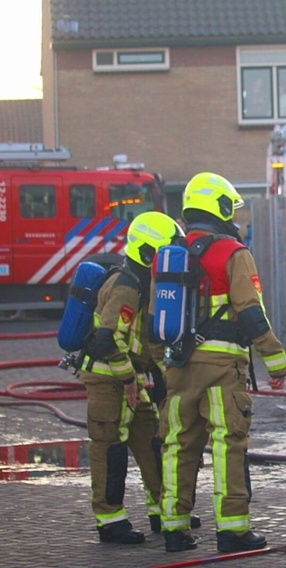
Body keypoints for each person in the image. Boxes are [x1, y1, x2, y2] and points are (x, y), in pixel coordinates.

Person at [158, 172, 286, 553]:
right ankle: (232, 530)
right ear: (217, 208)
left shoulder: (170, 254)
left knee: (178, 444)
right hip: (221, 367)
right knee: (227, 443)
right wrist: (276, 362)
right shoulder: (233, 253)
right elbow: (251, 313)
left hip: (178, 366)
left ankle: (174, 528)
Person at [78, 211, 181, 544]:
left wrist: (164, 377)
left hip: (128, 378)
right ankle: (110, 520)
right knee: (109, 448)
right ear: (149, 253)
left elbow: (147, 340)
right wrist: (127, 379)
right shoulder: (125, 287)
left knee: (152, 440)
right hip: (108, 379)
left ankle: (160, 510)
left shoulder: (142, 285)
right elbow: (108, 339)